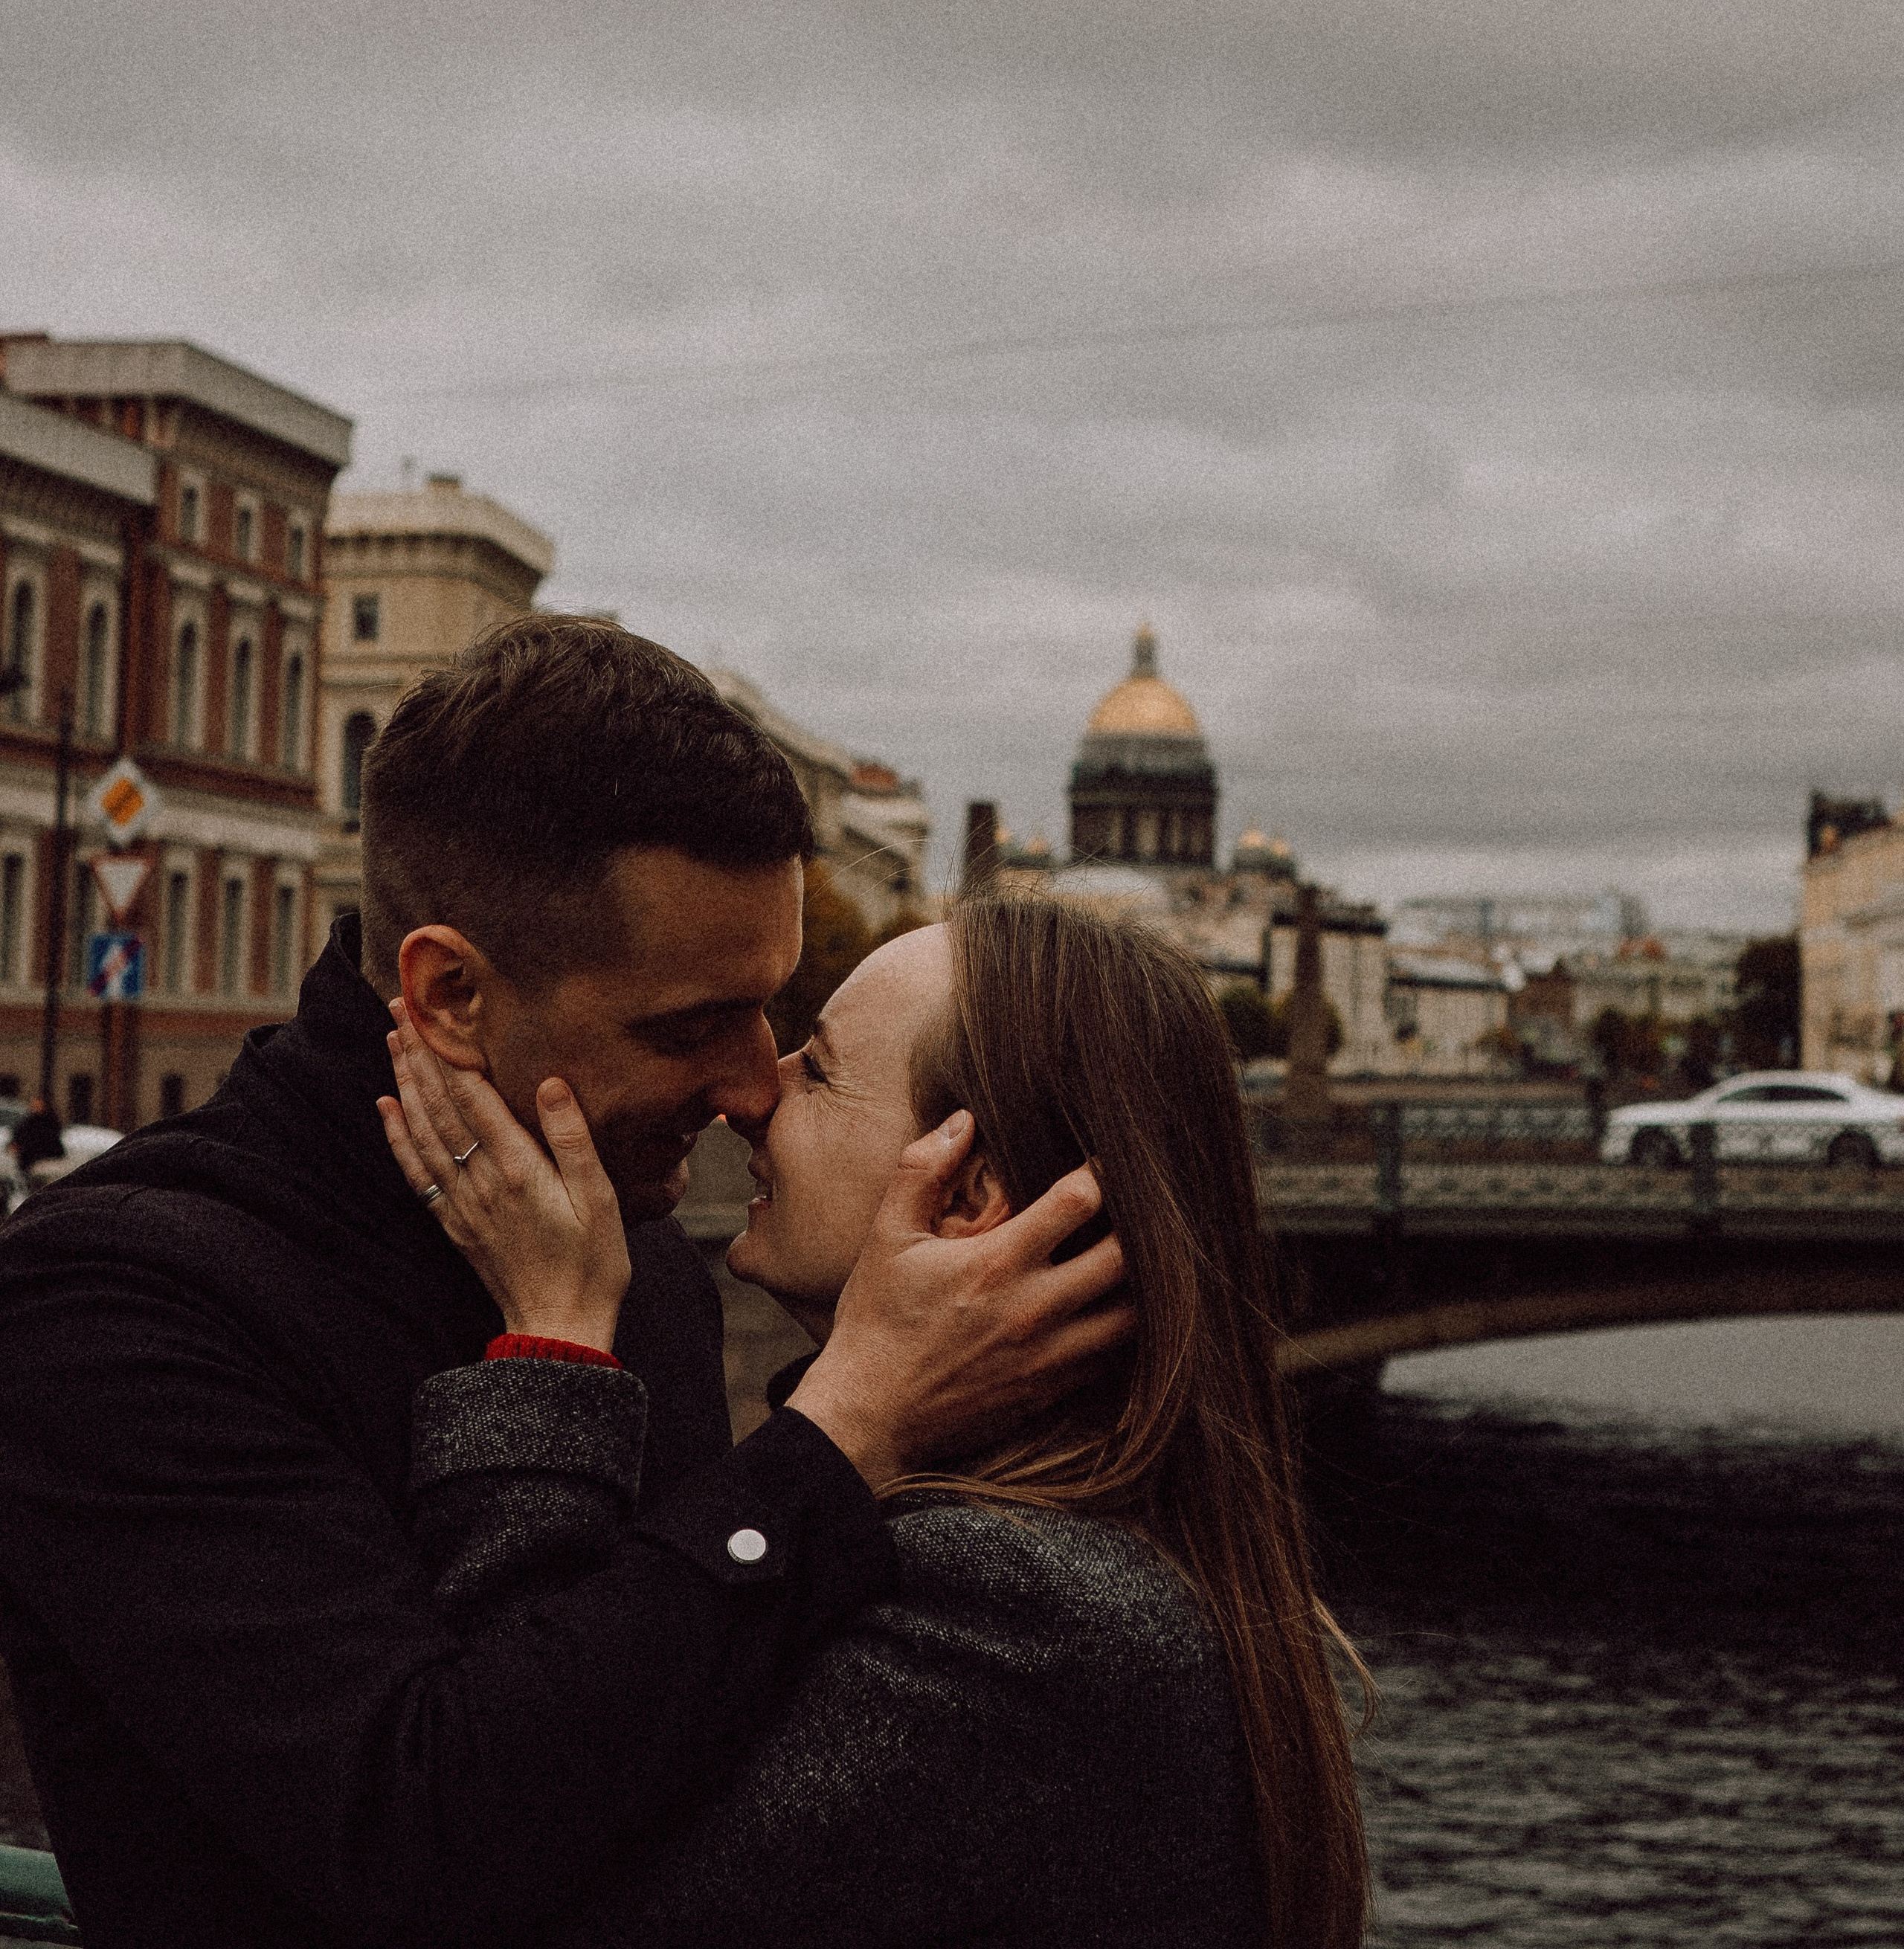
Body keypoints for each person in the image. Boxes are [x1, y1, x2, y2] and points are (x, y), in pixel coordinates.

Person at [0, 621, 1125, 1949]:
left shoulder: (634, 1256)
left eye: (769, 1009)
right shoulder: (115, 1302)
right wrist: (845, 1435)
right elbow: (427, 1848)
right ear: (452, 993)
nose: (754, 1085)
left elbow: (686, 1773)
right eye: (689, 1025)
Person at [382, 889, 1371, 1949]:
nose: (756, 1095)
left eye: (822, 1065)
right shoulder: (1048, 1555)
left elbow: (513, 1869)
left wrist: (558, 1344)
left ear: (968, 1190)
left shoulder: (1017, 1609)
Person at [7, 1096, 65, 1184]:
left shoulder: (49, 1122)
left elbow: (46, 1140)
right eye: (34, 1104)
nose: (34, 1107)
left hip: (45, 1157)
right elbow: (19, 1134)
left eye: (38, 1104)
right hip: (31, 1158)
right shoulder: (29, 1121)